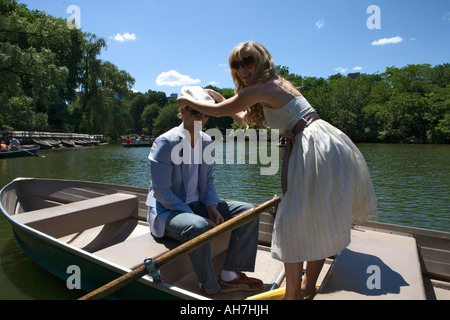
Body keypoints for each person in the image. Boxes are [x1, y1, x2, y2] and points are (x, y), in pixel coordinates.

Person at [176, 41, 378, 300]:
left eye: (247, 61)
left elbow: (219, 112)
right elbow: (242, 117)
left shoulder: (260, 88)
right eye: (235, 65)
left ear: (261, 61)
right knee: (318, 218)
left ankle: (293, 294)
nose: (241, 69)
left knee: (290, 223)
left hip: (312, 147)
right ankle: (305, 288)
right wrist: (221, 98)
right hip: (324, 142)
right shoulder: (275, 85)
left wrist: (187, 100)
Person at [145, 92, 263, 296]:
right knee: (198, 225)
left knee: (249, 212)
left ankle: (230, 276)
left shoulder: (206, 141)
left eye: (206, 114)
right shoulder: (165, 143)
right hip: (168, 211)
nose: (202, 119)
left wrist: (212, 207)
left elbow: (208, 181)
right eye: (196, 113)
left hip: (198, 205)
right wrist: (193, 215)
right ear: (182, 111)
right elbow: (162, 192)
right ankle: (209, 287)